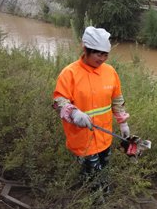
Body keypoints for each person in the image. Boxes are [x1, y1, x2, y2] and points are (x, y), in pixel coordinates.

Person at [52, 26, 130, 189]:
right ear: (85, 49)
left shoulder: (110, 72)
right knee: (92, 177)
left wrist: (123, 122)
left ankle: (104, 196)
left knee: (103, 173)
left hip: (104, 137)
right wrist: (73, 113)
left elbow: (117, 99)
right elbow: (58, 101)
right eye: (97, 53)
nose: (102, 58)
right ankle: (94, 206)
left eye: (105, 54)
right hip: (83, 139)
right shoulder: (70, 73)